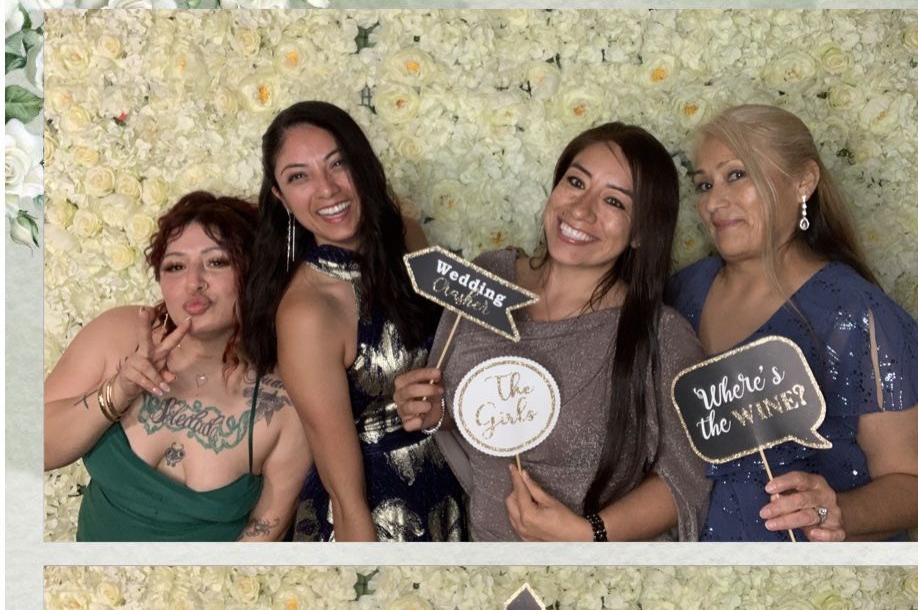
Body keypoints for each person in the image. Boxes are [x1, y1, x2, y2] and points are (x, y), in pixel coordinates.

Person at [391, 124, 709, 542]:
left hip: (593, 581)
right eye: (575, 182)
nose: (581, 209)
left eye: (614, 201)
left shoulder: (662, 336)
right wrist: (435, 412)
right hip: (485, 562)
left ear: (641, 233)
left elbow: (684, 479)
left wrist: (587, 534)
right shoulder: (488, 276)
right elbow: (470, 407)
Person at [672, 105, 918, 541]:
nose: (714, 202)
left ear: (804, 181)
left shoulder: (858, 314)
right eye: (704, 184)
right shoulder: (680, 293)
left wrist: (839, 511)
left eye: (737, 175)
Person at [243, 100, 464, 542]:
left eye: (338, 163)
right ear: (280, 198)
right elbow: (344, 493)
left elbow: (461, 348)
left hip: (449, 478)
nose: (326, 189)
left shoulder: (409, 237)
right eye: (298, 176)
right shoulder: (308, 312)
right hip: (381, 517)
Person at [43, 192, 309, 542]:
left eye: (217, 262)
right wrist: (118, 391)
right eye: (175, 266)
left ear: (255, 273)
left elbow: (262, 538)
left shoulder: (288, 399)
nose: (193, 281)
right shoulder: (118, 334)